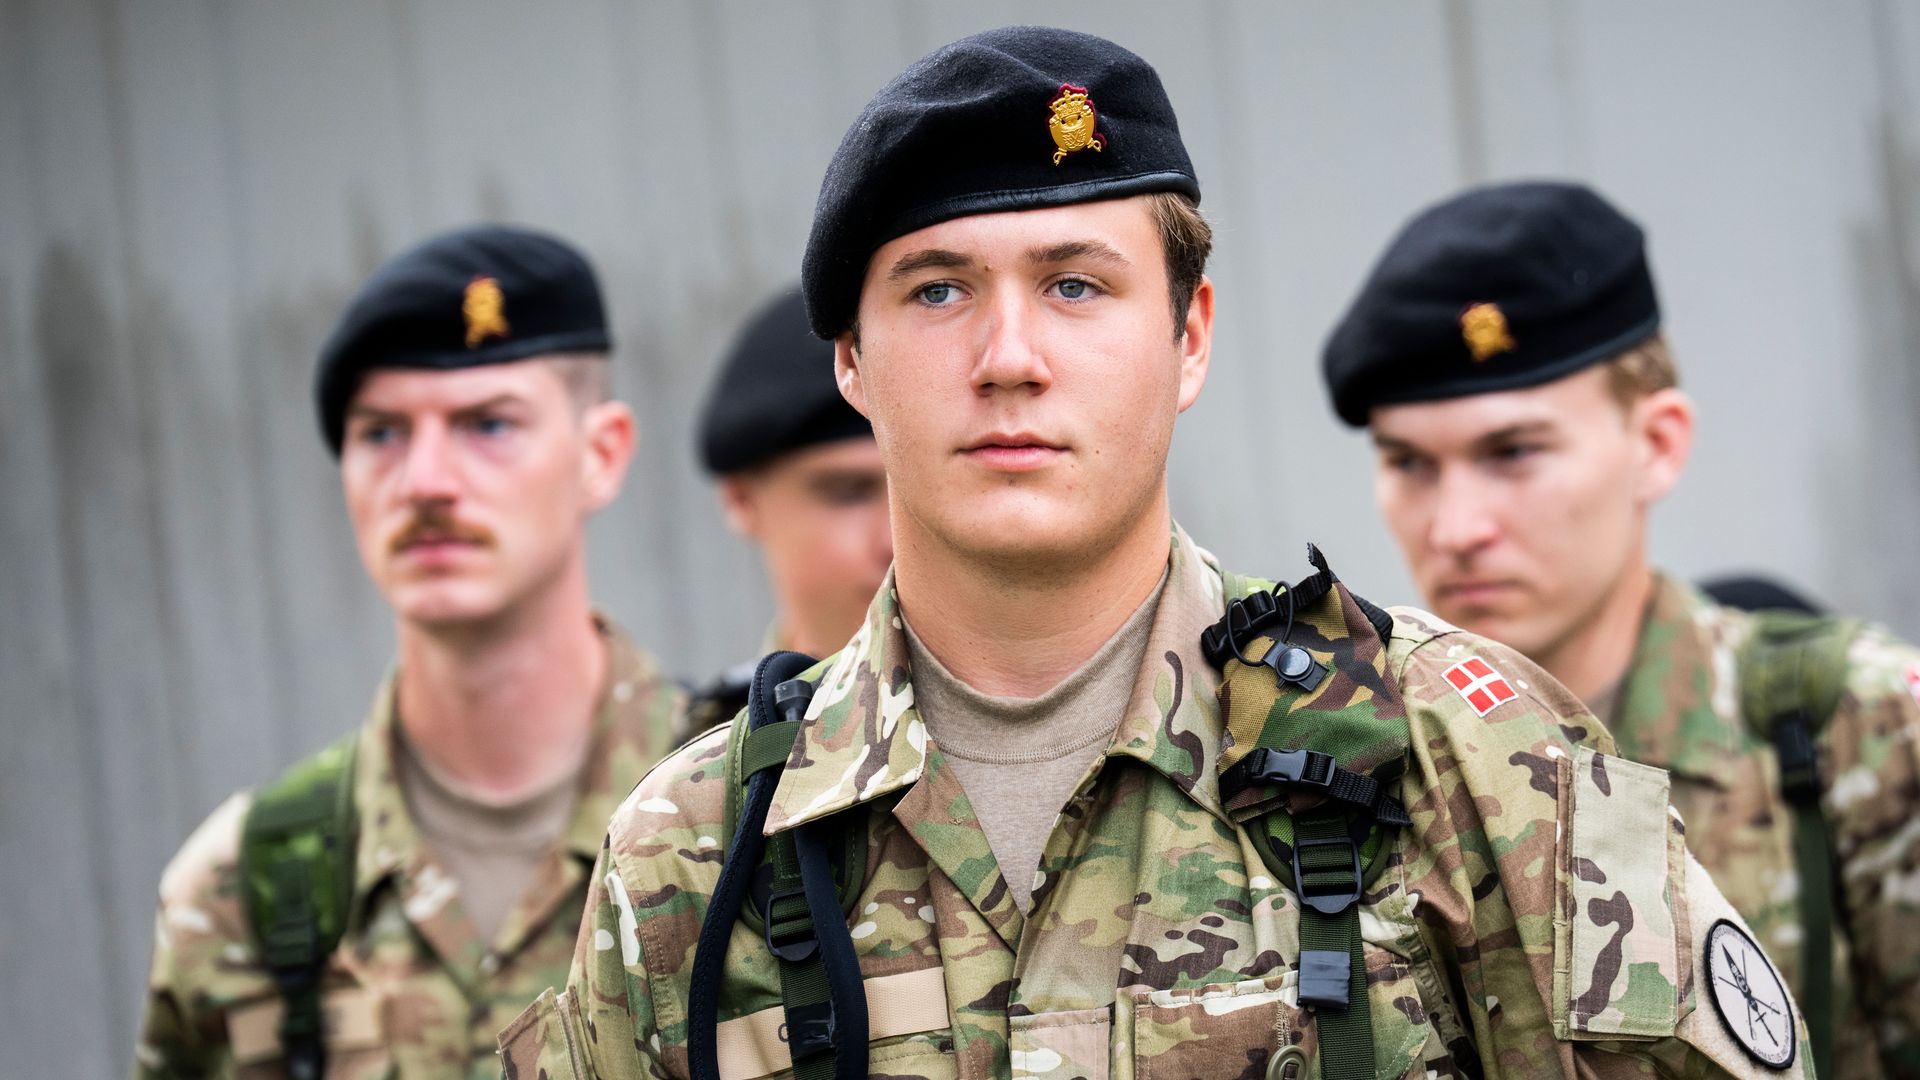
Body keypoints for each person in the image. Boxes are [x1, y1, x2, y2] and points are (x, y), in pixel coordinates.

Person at [503, 31, 1808, 1080]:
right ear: (851, 358)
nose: (1009, 357)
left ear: (1190, 337)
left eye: (1076, 285)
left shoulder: (1466, 752)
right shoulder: (696, 853)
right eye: (938, 289)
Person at [1321, 180, 1920, 1078]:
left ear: (1657, 444)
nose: (1455, 527)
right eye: (1408, 463)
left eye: (1513, 452)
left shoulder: (1860, 729)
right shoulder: (1346, 770)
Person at [133, 225, 687, 1078]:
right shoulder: (242, 892)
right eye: (382, 434)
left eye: (488, 424)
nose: (425, 481)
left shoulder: (752, 816)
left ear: (600, 455)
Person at [688, 288, 891, 735]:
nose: (898, 539)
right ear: (743, 499)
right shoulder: (696, 763)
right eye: (851, 493)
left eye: (923, 488)